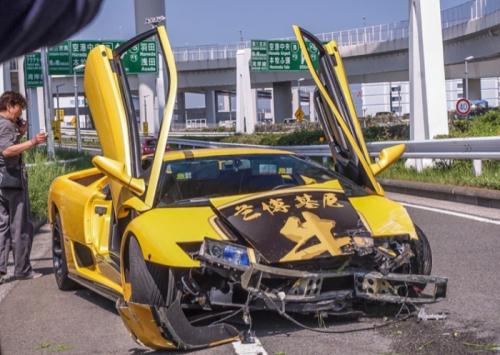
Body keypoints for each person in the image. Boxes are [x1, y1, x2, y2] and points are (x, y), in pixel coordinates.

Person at [0, 91, 46, 283]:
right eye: (19, 109)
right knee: (20, 226)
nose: (20, 114)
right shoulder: (5, 124)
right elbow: (7, 150)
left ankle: (1, 271)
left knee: (2, 226)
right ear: (11, 105)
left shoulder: (6, 125)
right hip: (12, 180)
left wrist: (19, 134)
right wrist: (32, 141)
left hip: (2, 181)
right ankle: (22, 269)